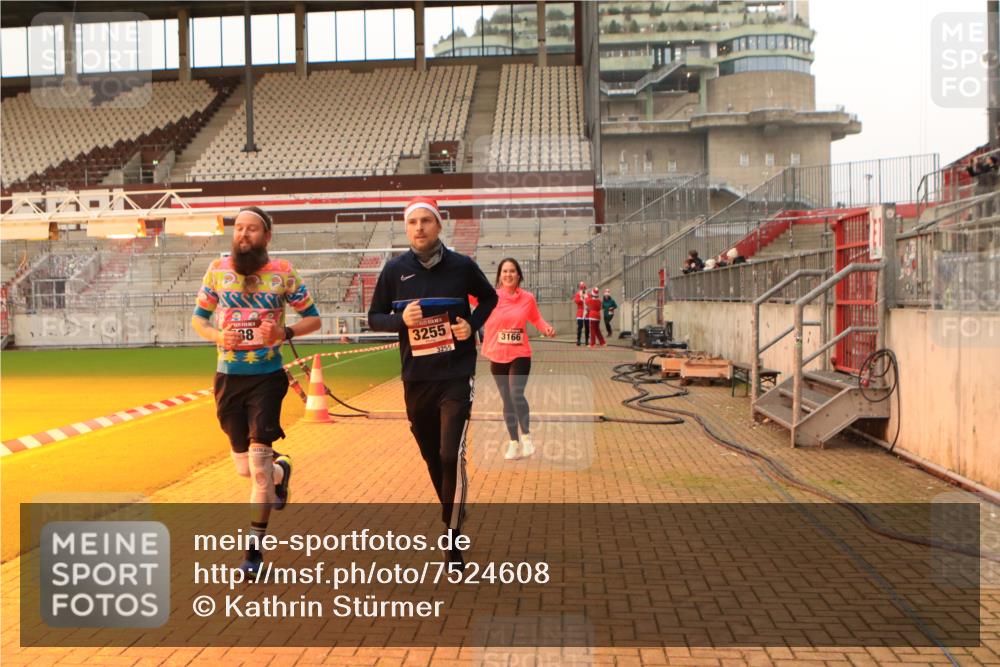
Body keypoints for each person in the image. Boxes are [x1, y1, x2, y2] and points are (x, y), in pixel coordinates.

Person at [367, 196, 498, 571]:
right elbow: (374, 317)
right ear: (406, 229)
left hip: (456, 373)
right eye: (413, 222)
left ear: (439, 226)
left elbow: (489, 298)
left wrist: (471, 324)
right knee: (431, 455)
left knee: (449, 454)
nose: (419, 228)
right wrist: (400, 321)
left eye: (426, 221)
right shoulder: (394, 271)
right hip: (416, 378)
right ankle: (453, 505)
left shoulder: (462, 265)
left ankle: (452, 535)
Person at [191, 206, 322, 575]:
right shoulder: (217, 271)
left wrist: (285, 333)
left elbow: (313, 317)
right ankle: (283, 471)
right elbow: (198, 320)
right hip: (228, 378)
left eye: (252, 229)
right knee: (245, 471)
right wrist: (219, 335)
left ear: (266, 237)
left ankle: (253, 553)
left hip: (267, 378)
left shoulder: (282, 273)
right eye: (239, 229)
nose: (244, 234)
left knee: (258, 469)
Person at [481, 258, 555, 461]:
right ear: (499, 275)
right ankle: (514, 443)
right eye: (504, 271)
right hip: (497, 354)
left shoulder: (527, 298)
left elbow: (536, 318)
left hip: (520, 353)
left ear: (519, 275)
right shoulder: (490, 297)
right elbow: (468, 294)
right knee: (507, 400)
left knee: (516, 393)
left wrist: (546, 328)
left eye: (512, 271)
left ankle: (527, 437)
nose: (508, 274)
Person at [573, 281, 589, 346]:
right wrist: (581, 298)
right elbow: (576, 301)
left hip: (586, 312)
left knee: (587, 327)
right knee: (580, 327)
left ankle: (587, 341)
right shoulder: (578, 294)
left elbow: (590, 301)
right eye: (582, 288)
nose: (583, 289)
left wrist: (586, 298)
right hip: (580, 312)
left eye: (584, 288)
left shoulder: (587, 294)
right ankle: (578, 340)